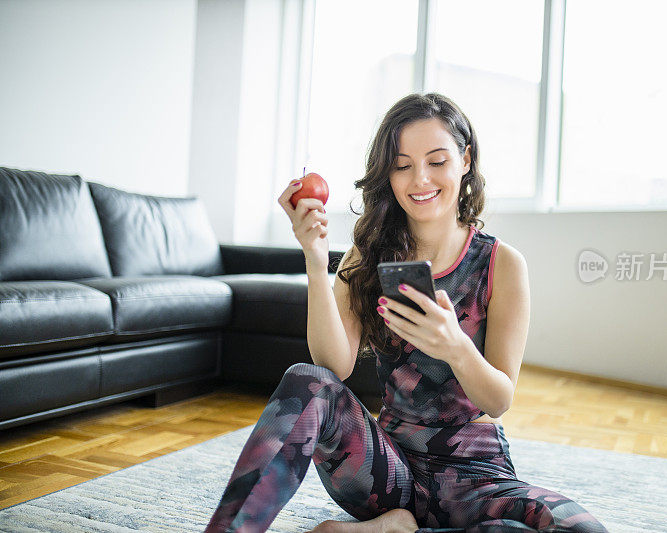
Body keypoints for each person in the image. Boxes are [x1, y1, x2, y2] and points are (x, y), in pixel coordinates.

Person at [204, 93, 608, 533]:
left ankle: (394, 529)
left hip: (473, 477)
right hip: (383, 471)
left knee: (582, 530)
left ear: (465, 160)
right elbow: (332, 365)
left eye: (436, 161)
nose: (420, 179)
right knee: (308, 381)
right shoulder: (368, 255)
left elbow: (498, 399)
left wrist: (456, 347)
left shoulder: (503, 265)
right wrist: (316, 263)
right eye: (402, 165)